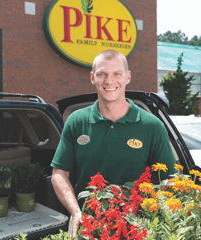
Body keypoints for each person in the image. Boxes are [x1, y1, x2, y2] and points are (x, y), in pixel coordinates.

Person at [50, 49, 177, 239]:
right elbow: (59, 174)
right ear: (92, 78)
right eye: (102, 74)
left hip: (137, 228)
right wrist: (76, 212)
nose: (109, 81)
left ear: (128, 77)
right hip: (90, 226)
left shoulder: (152, 126)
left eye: (117, 74)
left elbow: (169, 182)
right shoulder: (77, 121)